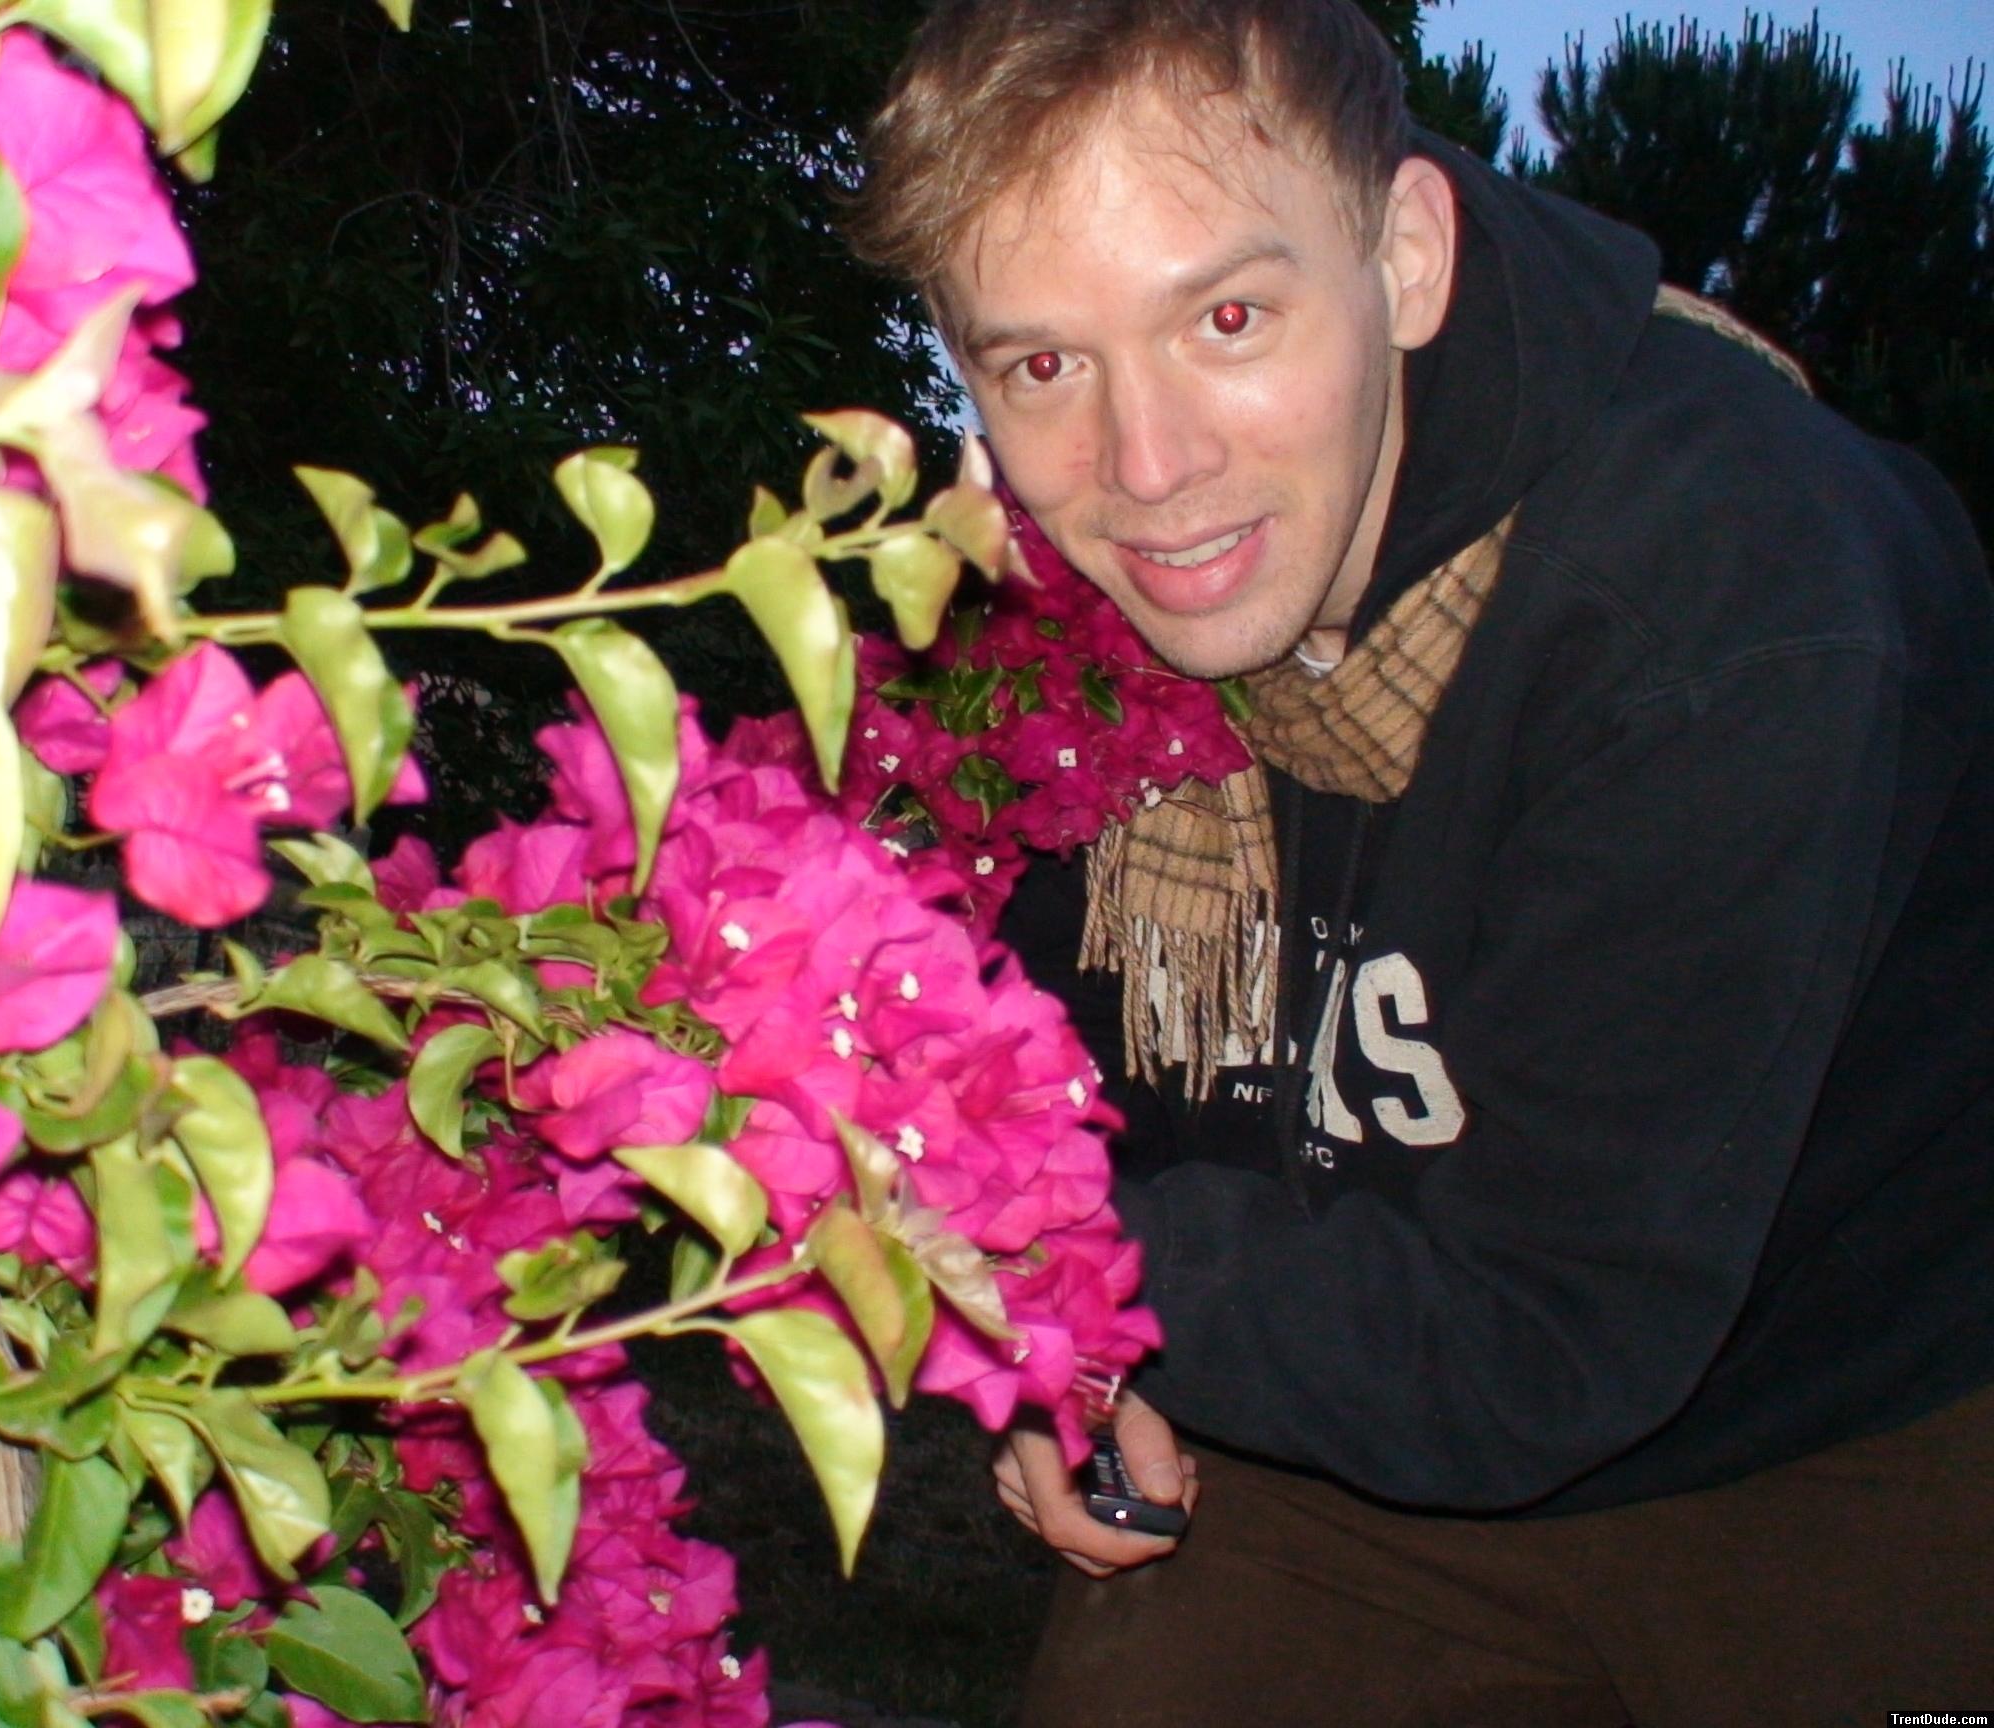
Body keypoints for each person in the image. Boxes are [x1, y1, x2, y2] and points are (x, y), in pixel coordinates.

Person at [844, 1, 1994, 1720]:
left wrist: (1029, 1265)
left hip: (1853, 1427)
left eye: (1227, 318)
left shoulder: (1725, 596)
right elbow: (1049, 1073)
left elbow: (1544, 1337)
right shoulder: (1039, 610)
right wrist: (1065, 1360)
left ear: (1407, 259)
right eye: (1044, 367)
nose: (1148, 470)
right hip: (1357, 1409)